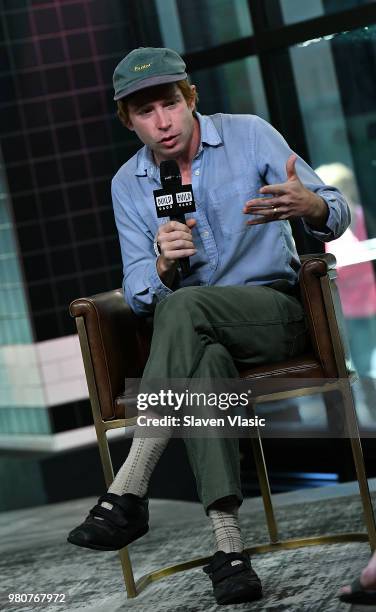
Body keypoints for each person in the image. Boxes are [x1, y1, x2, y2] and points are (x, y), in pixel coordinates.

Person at [67, 47, 350, 605]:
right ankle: (230, 552)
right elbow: (143, 292)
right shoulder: (130, 184)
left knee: (184, 311)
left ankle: (130, 485)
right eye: (145, 113)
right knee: (203, 362)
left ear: (189, 99)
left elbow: (335, 210)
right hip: (195, 335)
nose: (163, 122)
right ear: (129, 120)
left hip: (274, 313)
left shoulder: (249, 135)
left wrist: (310, 207)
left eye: (170, 104)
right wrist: (165, 266)